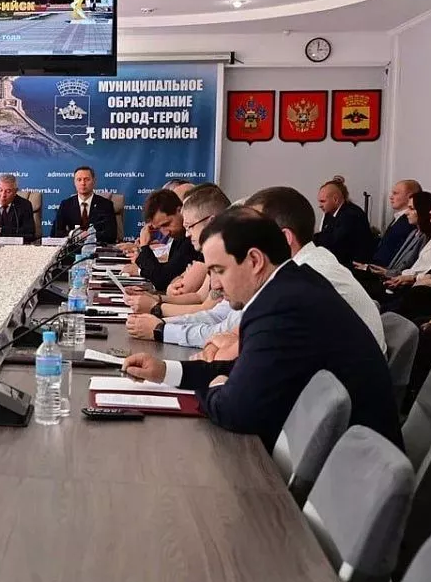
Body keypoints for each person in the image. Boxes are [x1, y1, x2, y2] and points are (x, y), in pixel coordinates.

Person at [123, 208, 403, 451]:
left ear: (255, 261)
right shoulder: (289, 286)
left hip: (350, 472)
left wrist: (217, 386)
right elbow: (243, 368)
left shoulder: (281, 306)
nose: (215, 285)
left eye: (219, 270)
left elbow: (237, 410)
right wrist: (165, 371)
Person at [245, 186, 386, 351]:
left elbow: (259, 343)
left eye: (252, 233)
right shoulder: (314, 260)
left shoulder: (306, 276)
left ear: (284, 238)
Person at [125, 184, 234, 347]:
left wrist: (158, 316)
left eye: (190, 226)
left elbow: (211, 314)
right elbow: (205, 304)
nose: (187, 234)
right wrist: (157, 304)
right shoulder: (210, 250)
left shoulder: (232, 254)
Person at [123, 188, 197, 290]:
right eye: (158, 229)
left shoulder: (192, 239)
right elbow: (169, 270)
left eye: (166, 224)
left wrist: (144, 246)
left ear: (180, 211)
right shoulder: (179, 236)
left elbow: (162, 280)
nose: (165, 233)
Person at [314, 176, 376, 266]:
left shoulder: (351, 215)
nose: (320, 205)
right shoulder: (330, 213)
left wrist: (307, 240)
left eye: (323, 201)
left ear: (335, 199)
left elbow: (332, 241)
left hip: (354, 266)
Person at [50, 166, 116, 243]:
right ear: (74, 182)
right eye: (79, 180)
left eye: (87, 179)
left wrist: (89, 235)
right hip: (73, 246)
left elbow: (111, 235)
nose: (83, 183)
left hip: (96, 246)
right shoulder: (66, 204)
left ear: (94, 181)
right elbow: (56, 233)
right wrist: (74, 234)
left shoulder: (106, 205)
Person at [369, 179, 422, 267]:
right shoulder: (398, 218)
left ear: (409, 196)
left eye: (395, 193)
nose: (391, 197)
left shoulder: (410, 222)